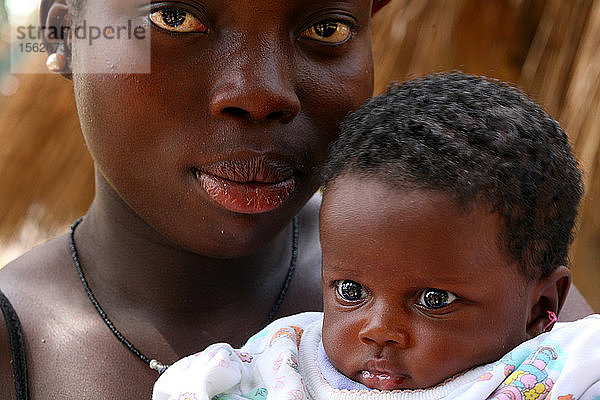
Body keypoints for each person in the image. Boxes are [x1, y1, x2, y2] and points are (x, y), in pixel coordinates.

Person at [0, 0, 392, 398]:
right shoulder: (13, 350)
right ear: (67, 34)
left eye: (327, 29)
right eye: (175, 19)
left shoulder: (440, 291)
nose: (261, 93)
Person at [152, 72, 600, 400]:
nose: (379, 330)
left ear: (542, 307)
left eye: (434, 301)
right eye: (351, 291)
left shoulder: (562, 371)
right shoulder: (280, 365)